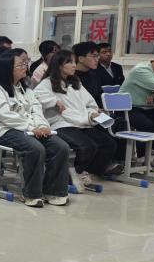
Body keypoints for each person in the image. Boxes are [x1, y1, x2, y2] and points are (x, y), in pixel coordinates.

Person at [0, 49, 70, 207]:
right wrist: (31, 127)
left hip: (29, 129)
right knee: (35, 148)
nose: (25, 67)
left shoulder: (26, 89)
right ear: (7, 68)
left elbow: (36, 109)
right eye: (20, 65)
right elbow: (4, 116)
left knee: (60, 147)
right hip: (4, 130)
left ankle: (54, 191)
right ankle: (32, 194)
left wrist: (42, 125)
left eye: (25, 64)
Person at [34, 50, 120, 187]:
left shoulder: (76, 83)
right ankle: (74, 172)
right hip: (61, 124)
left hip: (82, 122)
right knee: (87, 146)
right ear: (59, 65)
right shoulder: (47, 83)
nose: (74, 65)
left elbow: (89, 103)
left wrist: (92, 113)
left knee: (109, 143)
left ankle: (83, 171)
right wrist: (53, 101)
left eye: (74, 62)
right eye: (70, 62)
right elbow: (36, 97)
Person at [72, 41, 103, 105]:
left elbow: (99, 96)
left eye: (98, 56)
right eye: (94, 56)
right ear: (81, 59)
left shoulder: (94, 74)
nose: (97, 59)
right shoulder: (71, 76)